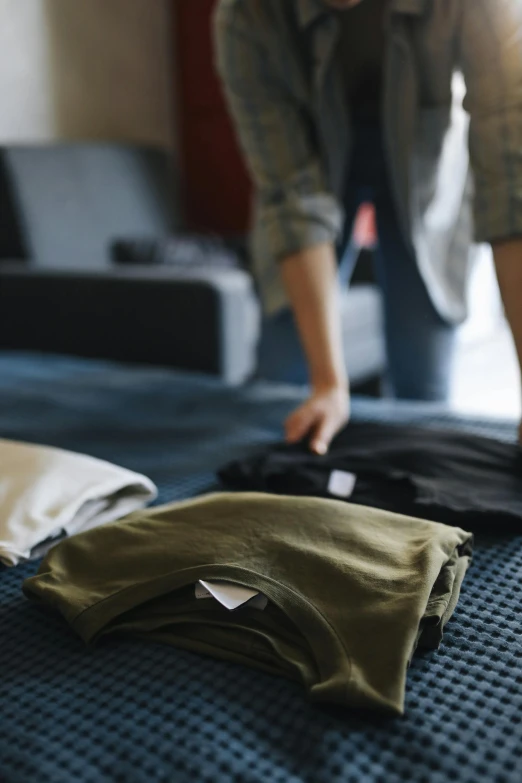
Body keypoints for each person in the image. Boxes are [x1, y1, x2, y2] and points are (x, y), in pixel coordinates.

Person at [214, 0, 522, 453]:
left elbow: (510, 183)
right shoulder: (246, 17)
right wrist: (328, 385)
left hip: (424, 173)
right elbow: (292, 198)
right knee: (285, 390)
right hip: (313, 164)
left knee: (425, 398)